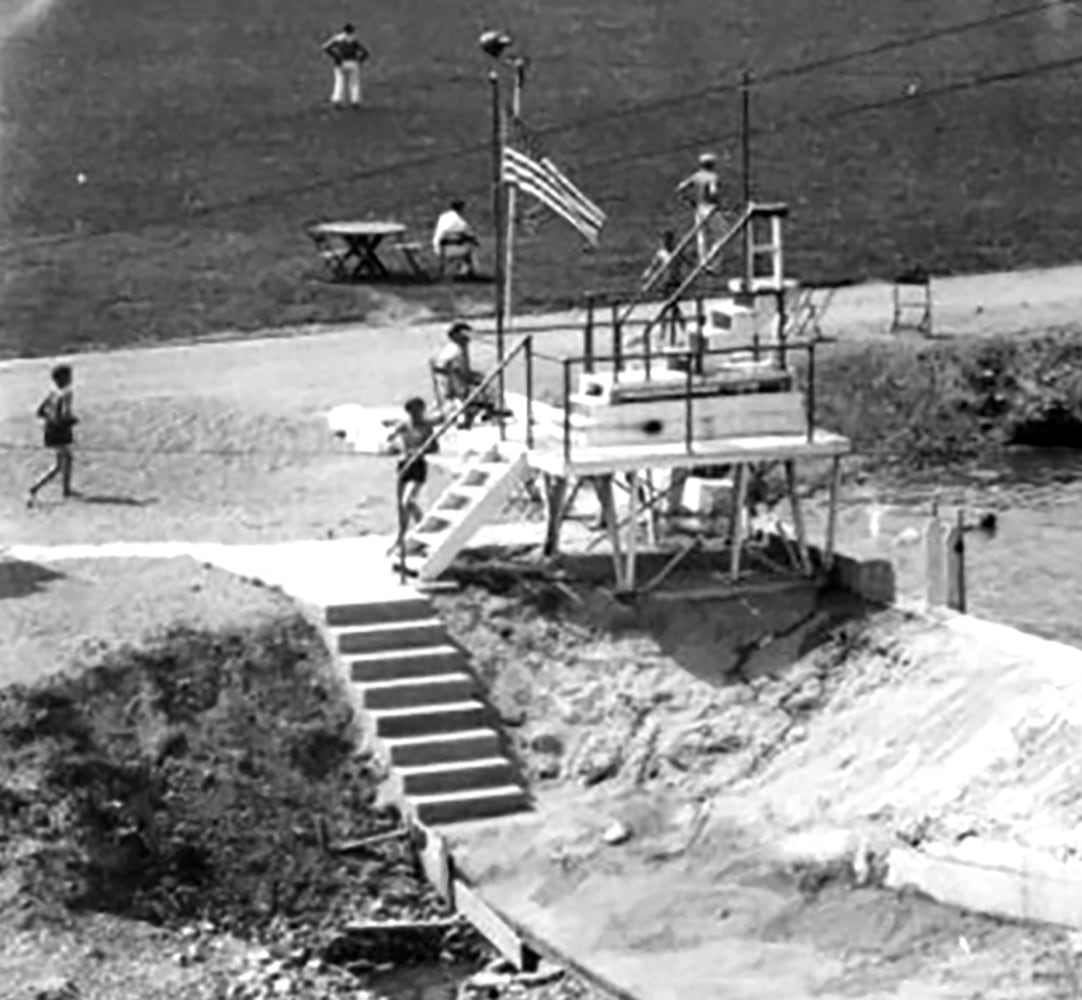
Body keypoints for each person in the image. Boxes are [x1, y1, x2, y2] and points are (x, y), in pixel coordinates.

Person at [386, 396, 438, 553]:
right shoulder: (404, 425)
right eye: (412, 411)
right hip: (404, 465)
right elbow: (390, 439)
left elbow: (435, 447)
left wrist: (420, 450)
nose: (416, 414)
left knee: (408, 501)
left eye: (418, 411)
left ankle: (424, 530)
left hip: (418, 465)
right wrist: (395, 443)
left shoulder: (426, 427)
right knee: (401, 507)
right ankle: (400, 538)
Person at [28, 363, 78, 506]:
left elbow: (40, 412)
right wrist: (70, 421)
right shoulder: (66, 395)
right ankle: (37, 487)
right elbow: (62, 416)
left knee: (64, 461)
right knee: (62, 463)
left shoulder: (52, 394)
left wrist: (52, 419)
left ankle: (65, 489)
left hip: (50, 430)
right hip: (59, 431)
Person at [675, 152, 723, 268]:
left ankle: (703, 261)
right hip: (710, 208)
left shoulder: (697, 176)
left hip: (699, 208)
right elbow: (713, 191)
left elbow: (680, 188)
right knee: (721, 235)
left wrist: (687, 200)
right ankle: (712, 257)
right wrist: (717, 201)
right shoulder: (713, 177)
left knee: (701, 235)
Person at [643, 229, 688, 343]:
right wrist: (647, 274)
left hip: (676, 283)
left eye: (668, 240)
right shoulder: (661, 253)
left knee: (671, 308)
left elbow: (687, 261)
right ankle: (677, 330)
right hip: (666, 283)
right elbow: (653, 265)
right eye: (664, 240)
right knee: (671, 308)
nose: (666, 242)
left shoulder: (677, 252)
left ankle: (665, 333)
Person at [322, 23, 369, 108]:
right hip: (353, 63)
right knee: (354, 82)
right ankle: (355, 101)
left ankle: (337, 99)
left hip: (340, 62)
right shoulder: (354, 40)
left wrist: (335, 55)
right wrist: (360, 61)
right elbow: (365, 52)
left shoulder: (338, 38)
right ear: (352, 31)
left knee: (339, 81)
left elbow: (325, 47)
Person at [431, 199, 480, 279]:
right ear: (461, 208)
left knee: (464, 245)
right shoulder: (459, 221)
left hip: (438, 247)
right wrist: (475, 241)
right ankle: (470, 272)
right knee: (469, 248)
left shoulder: (443, 216)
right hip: (450, 250)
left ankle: (461, 268)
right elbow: (468, 234)